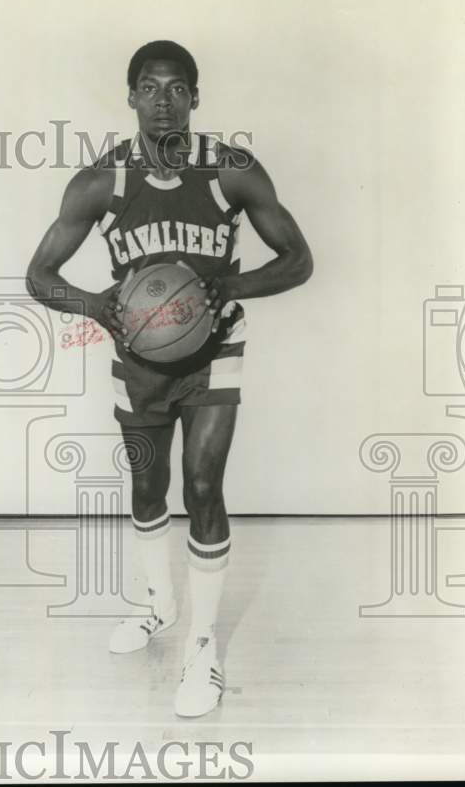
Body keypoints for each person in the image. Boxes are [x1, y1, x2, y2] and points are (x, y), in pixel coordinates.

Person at [26, 40, 312, 717]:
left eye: (176, 87)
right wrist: (96, 306)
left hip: (215, 349)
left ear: (196, 96)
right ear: (130, 97)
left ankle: (203, 649)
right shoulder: (102, 182)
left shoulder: (231, 171)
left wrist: (230, 283)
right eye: (149, 87)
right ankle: (158, 604)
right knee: (147, 486)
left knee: (204, 481)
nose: (163, 100)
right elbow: (40, 276)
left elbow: (299, 259)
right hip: (141, 360)